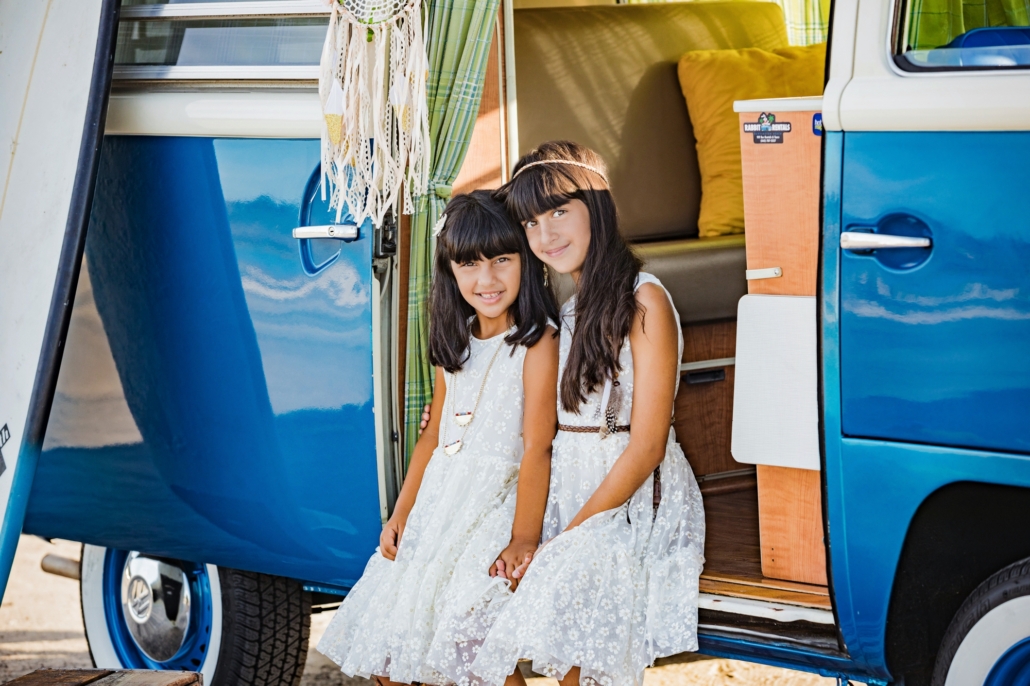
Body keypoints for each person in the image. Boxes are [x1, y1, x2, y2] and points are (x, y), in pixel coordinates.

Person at [472, 141, 706, 686]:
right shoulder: (567, 308)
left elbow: (647, 446)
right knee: (473, 589)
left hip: (630, 498)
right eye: (530, 222)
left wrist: (570, 535)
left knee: (582, 644)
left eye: (559, 211)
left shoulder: (644, 299)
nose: (545, 234)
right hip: (569, 485)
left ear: (596, 206)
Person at [317, 191, 559, 686]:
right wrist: (400, 514)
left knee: (465, 633)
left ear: (525, 262)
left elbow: (537, 446)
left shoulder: (540, 341)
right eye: (468, 264)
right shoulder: (456, 339)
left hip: (497, 504)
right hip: (441, 500)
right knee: (389, 633)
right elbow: (432, 439)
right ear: (449, 270)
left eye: (502, 260)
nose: (486, 279)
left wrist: (524, 539)